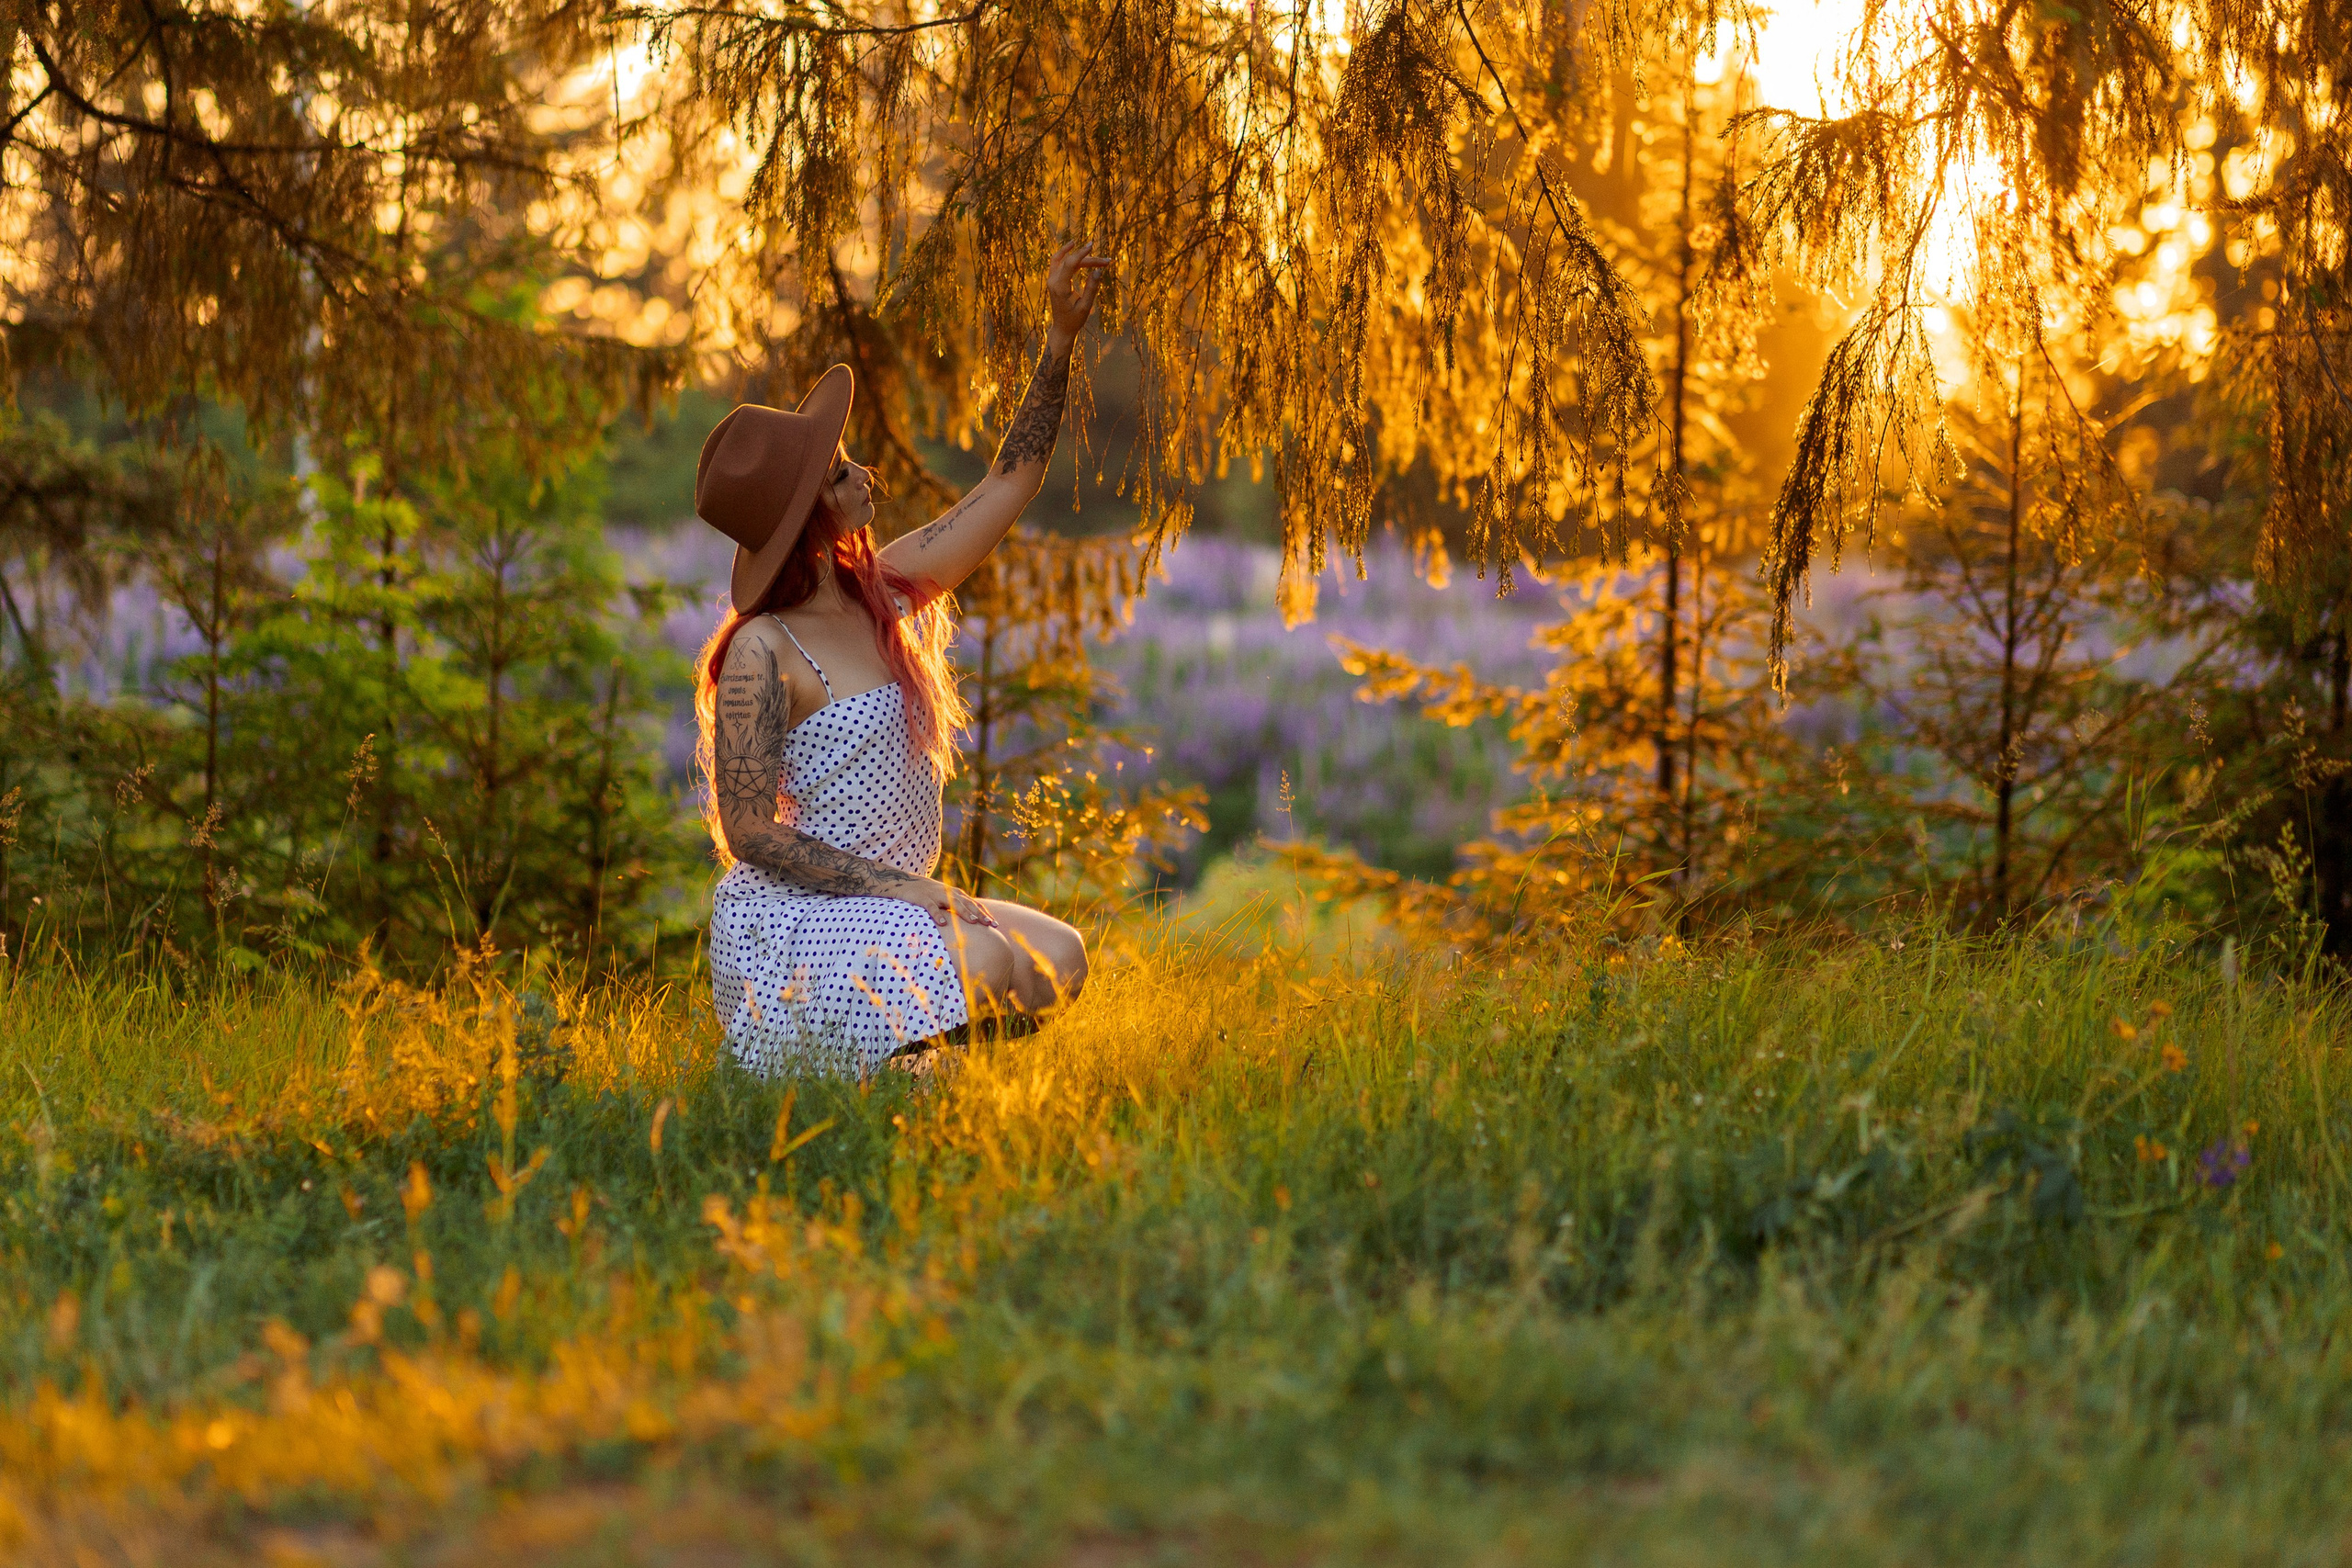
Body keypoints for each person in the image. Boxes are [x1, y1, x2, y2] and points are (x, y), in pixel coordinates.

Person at [692, 240, 1112, 1077]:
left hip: (891, 904)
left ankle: (911, 1075)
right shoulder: (761, 650)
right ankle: (904, 1089)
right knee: (986, 962)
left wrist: (1059, 342)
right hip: (800, 919)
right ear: (805, 516)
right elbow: (747, 831)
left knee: (1058, 958)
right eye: (839, 473)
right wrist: (904, 887)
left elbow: (1009, 483)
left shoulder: (883, 591)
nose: (864, 474)